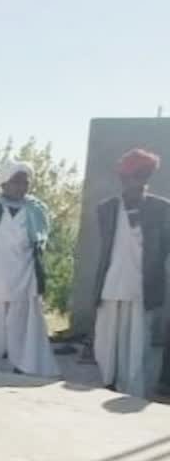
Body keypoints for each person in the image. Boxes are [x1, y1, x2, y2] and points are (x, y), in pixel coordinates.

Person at [93, 149, 170, 398]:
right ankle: (109, 381)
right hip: (112, 282)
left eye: (142, 175)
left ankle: (133, 388)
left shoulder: (162, 209)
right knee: (107, 339)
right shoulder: (107, 209)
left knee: (138, 343)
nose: (136, 181)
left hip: (143, 285)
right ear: (122, 177)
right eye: (131, 175)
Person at [0, 160, 60, 378]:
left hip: (25, 271)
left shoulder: (36, 209)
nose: (22, 186)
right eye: (16, 181)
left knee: (24, 320)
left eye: (25, 181)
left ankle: (26, 363)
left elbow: (40, 242)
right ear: (3, 183)